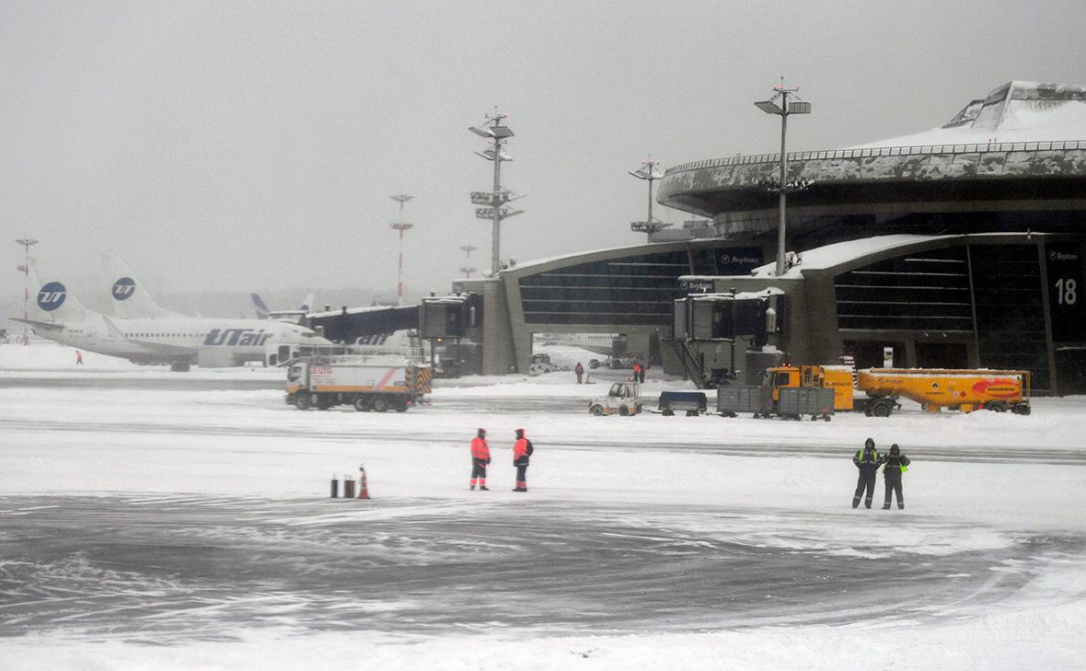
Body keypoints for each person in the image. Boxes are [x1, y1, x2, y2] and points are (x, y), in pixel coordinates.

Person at [852, 437, 882, 509]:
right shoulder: (861, 451)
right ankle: (855, 504)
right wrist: (859, 465)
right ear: (866, 444)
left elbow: (879, 461)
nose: (869, 445)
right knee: (860, 488)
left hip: (872, 474)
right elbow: (855, 459)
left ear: (872, 444)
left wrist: (876, 467)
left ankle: (868, 504)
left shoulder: (876, 453)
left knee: (870, 490)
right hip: (863, 473)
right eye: (868, 443)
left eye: (870, 443)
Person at [882, 444, 911, 510]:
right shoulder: (888, 458)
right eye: (893, 450)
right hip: (888, 478)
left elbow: (908, 462)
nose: (894, 452)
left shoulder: (900, 458)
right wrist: (885, 457)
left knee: (898, 492)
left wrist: (904, 458)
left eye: (895, 450)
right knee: (888, 492)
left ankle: (901, 505)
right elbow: (881, 461)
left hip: (897, 479)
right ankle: (887, 505)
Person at [512, 428, 533, 492]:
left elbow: (518, 452)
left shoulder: (521, 441)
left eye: (517, 433)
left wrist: (516, 460)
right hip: (524, 459)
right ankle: (520, 487)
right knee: (520, 474)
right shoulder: (525, 440)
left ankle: (522, 487)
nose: (517, 434)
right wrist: (527, 455)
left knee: (520, 474)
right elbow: (530, 450)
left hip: (521, 459)